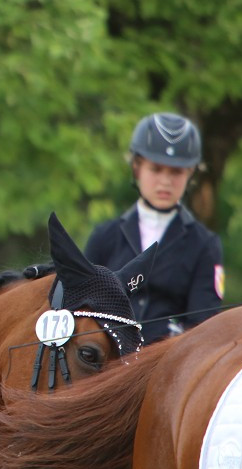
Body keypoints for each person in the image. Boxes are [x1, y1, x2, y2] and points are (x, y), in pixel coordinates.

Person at [84, 112, 224, 343]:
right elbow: (82, 308)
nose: (165, 182)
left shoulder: (205, 245)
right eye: (156, 169)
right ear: (137, 167)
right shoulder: (104, 237)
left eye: (176, 172)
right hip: (108, 364)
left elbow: (203, 324)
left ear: (190, 174)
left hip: (167, 365)